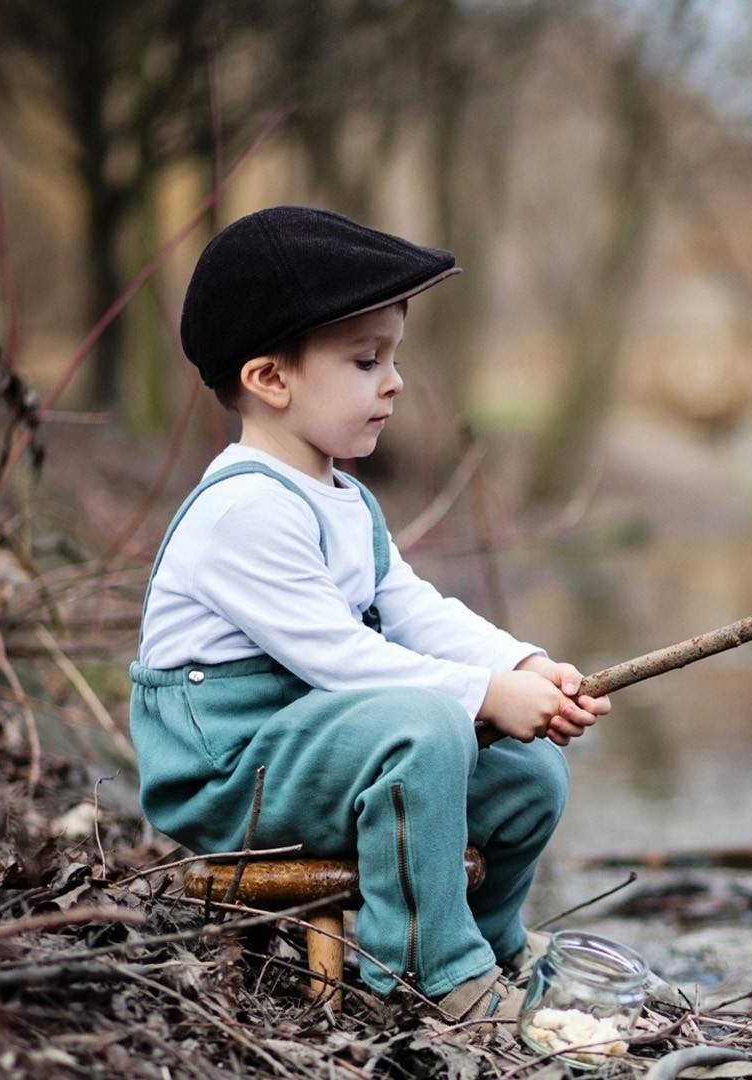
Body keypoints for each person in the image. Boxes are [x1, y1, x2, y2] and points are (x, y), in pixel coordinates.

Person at [129, 206, 609, 1021]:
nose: (393, 381)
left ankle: (490, 948)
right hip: (229, 771)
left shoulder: (343, 498)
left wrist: (521, 666)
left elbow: (413, 609)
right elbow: (341, 659)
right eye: (364, 360)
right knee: (426, 728)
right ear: (269, 380)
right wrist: (484, 696)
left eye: (393, 357)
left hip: (312, 746)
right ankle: (428, 970)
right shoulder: (244, 509)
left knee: (529, 774)